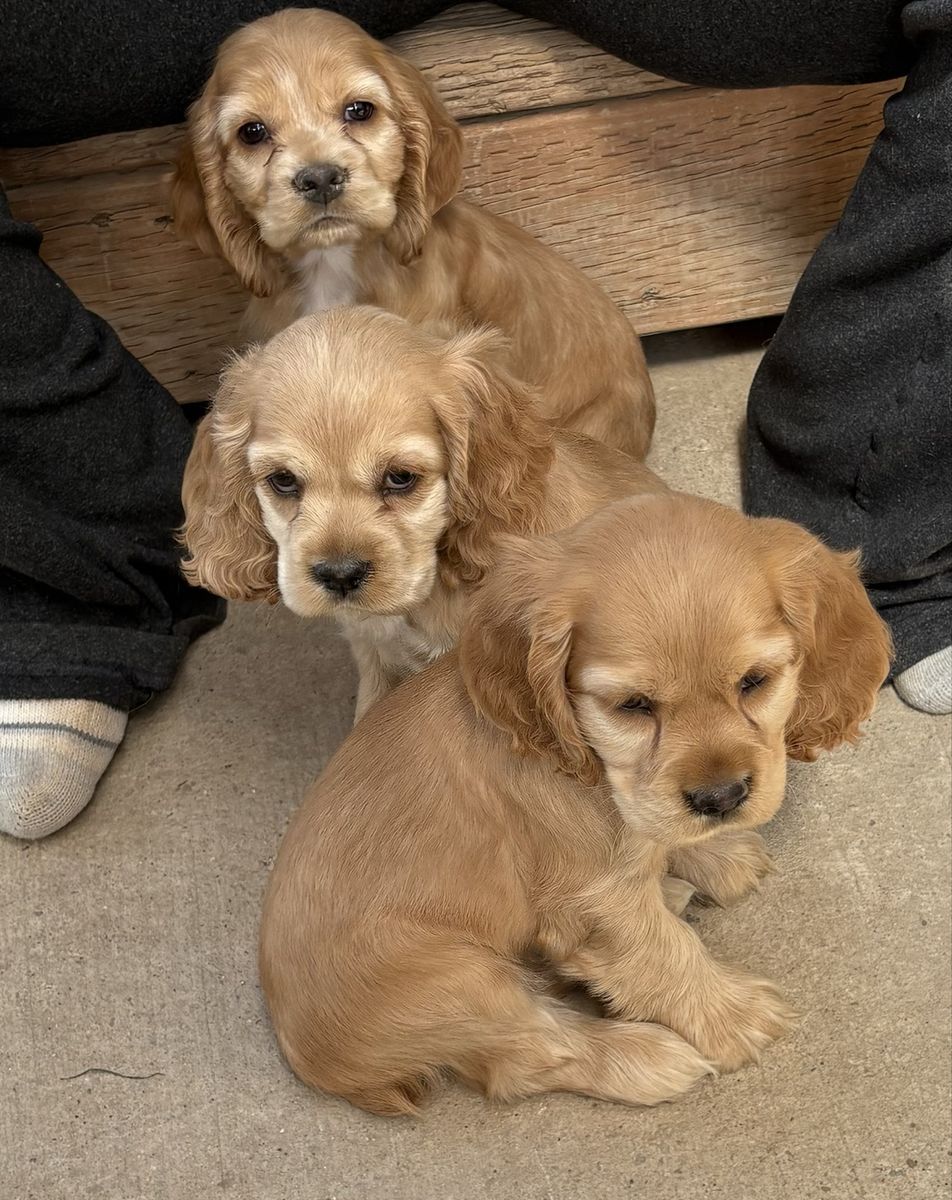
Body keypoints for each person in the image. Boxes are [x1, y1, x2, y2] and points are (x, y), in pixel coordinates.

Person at [1, 0, 949, 839]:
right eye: (258, 138)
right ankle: (80, 592)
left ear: (410, 143)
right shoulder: (272, 360)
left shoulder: (454, 356)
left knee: (517, 597)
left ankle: (886, 527)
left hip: (555, 463)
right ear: (219, 178)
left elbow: (510, 467)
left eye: (356, 115)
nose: (317, 167)